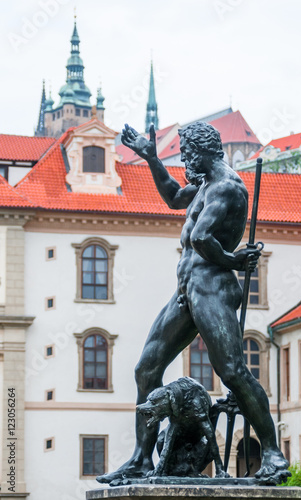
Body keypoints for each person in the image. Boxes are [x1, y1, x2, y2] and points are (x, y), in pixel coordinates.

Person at [97, 121, 289, 485]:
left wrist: (234, 262)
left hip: (213, 287)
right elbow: (172, 197)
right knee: (146, 370)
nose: (184, 161)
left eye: (187, 155)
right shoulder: (204, 185)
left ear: (204, 151)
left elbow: (201, 238)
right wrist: (152, 158)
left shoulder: (228, 187)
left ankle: (273, 455)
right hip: (187, 287)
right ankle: (140, 459)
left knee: (232, 372)